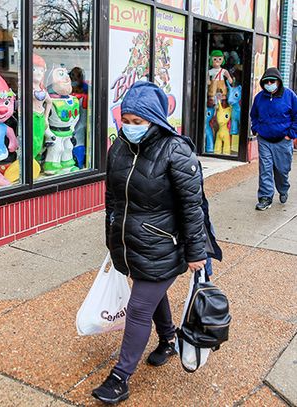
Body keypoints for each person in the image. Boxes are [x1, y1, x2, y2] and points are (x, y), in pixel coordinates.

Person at [93, 81, 207, 404]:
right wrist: (112, 238)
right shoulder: (118, 149)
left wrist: (197, 251)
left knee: (140, 306)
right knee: (151, 294)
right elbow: (113, 199)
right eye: (125, 121)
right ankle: (169, 340)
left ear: (154, 119)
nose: (130, 127)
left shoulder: (175, 150)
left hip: (165, 246)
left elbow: (192, 205)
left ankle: (120, 377)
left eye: (137, 122)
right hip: (131, 245)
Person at [250, 67, 297, 211]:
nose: (269, 84)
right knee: (265, 169)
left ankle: (283, 189)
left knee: (282, 170)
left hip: (283, 141)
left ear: (279, 82)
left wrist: (291, 134)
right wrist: (256, 129)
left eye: (272, 81)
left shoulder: (290, 96)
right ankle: (265, 197)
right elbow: (254, 115)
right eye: (266, 82)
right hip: (265, 140)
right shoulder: (259, 98)